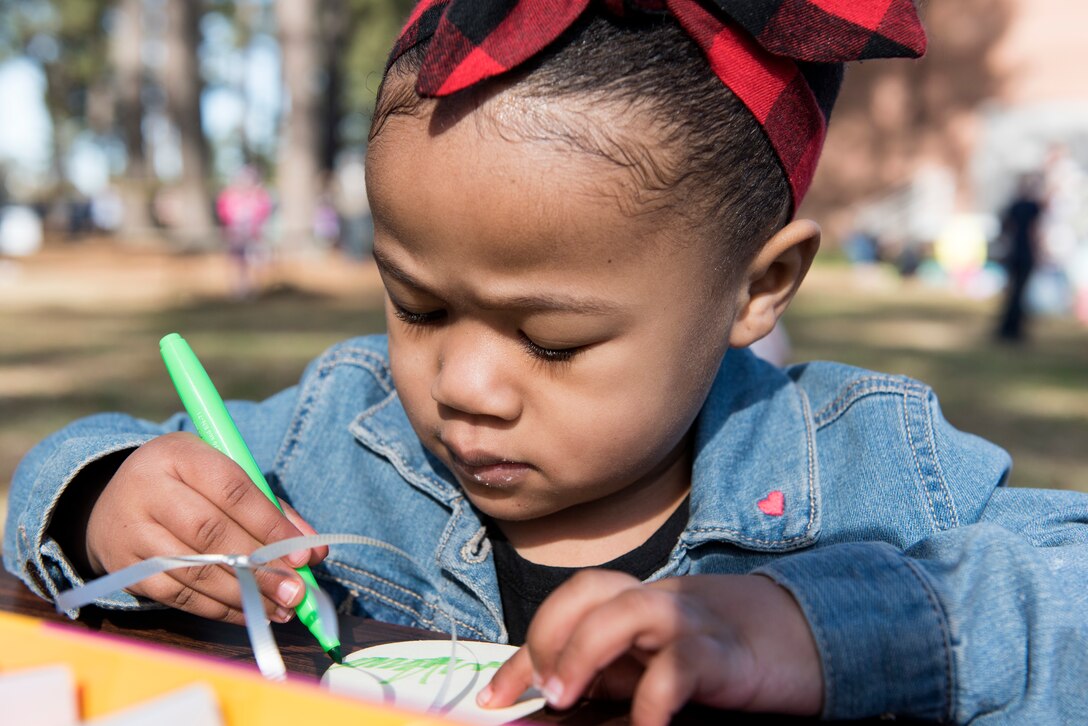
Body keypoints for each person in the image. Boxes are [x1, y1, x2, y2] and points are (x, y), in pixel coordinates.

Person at [5, 3, 1088, 724]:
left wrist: (802, 624)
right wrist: (101, 500)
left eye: (550, 340)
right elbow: (77, 484)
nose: (463, 386)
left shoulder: (863, 467)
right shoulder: (341, 428)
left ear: (757, 290)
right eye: (418, 305)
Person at [995, 174, 1044, 341]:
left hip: (1013, 253)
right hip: (1025, 254)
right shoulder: (1033, 207)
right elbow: (1034, 231)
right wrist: (1037, 253)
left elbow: (1005, 229)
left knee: (1012, 292)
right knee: (1020, 293)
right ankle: (1014, 329)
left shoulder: (1014, 206)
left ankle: (1008, 328)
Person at [217, 166, 273, 299]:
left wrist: (256, 229)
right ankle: (239, 289)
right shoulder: (229, 196)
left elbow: (264, 212)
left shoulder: (259, 196)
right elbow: (223, 213)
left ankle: (255, 289)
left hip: (254, 236)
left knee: (256, 262)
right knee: (237, 263)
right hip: (236, 235)